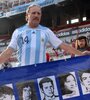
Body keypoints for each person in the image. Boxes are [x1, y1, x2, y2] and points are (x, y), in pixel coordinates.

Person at [0, 4, 90, 67]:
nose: (36, 15)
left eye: (39, 13)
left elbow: (63, 46)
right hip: (24, 73)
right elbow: (9, 52)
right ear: (27, 16)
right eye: (33, 13)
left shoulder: (46, 31)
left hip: (41, 72)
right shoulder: (18, 32)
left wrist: (80, 54)